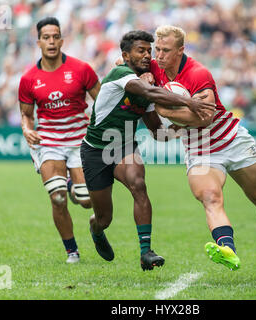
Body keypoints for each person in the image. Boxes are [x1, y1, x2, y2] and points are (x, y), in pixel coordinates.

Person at [150, 25, 256, 277]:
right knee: (210, 197)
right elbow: (124, 61)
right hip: (199, 148)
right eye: (156, 49)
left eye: (166, 50)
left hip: (230, 140)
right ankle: (227, 249)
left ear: (181, 50)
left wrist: (165, 111)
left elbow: (204, 116)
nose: (159, 55)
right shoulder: (154, 68)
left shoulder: (198, 73)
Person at [80, 30, 216, 271]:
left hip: (123, 146)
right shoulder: (122, 74)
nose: (146, 55)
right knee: (104, 217)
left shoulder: (147, 81)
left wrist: (181, 129)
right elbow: (150, 92)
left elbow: (155, 130)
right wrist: (191, 102)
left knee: (138, 184)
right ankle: (96, 228)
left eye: (148, 51)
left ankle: (146, 252)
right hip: (96, 150)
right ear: (125, 55)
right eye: (140, 51)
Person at [18, 17, 101, 264]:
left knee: (86, 201)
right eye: (46, 37)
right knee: (56, 196)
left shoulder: (81, 69)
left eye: (55, 36)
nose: (51, 41)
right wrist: (26, 129)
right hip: (49, 141)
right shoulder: (29, 78)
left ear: (62, 40)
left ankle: (71, 186)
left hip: (79, 140)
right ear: (39, 42)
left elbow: (103, 100)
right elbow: (26, 114)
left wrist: (100, 129)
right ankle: (71, 250)